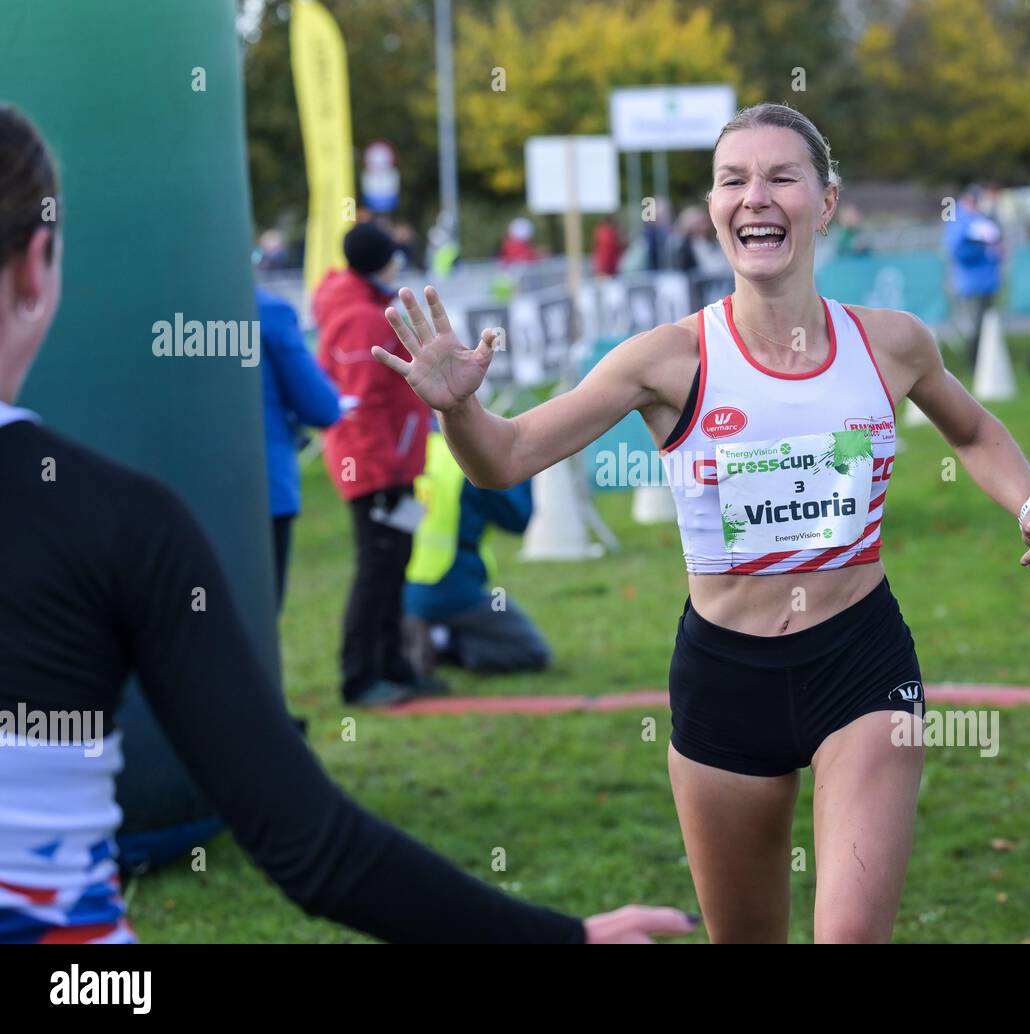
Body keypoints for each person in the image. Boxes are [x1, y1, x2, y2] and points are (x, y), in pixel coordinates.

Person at [374, 102, 1030, 943]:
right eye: (732, 180)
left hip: (860, 663)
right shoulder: (666, 359)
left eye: (782, 176)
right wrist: (462, 412)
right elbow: (509, 456)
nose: (756, 196)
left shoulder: (893, 344)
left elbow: (972, 430)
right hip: (724, 679)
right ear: (713, 208)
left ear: (824, 202)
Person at [0, 103, 692, 944]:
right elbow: (311, 845)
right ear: (36, 265)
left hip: (364, 475)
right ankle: (373, 673)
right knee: (370, 581)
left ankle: (378, 670)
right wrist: (562, 940)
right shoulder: (118, 522)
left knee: (374, 580)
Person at [314, 221, 439, 707]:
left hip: (393, 465)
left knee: (394, 565)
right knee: (377, 569)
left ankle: (395, 667)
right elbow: (359, 405)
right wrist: (385, 469)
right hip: (374, 469)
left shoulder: (362, 309)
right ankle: (360, 677)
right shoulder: (361, 319)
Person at [403, 422, 552, 678]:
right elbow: (519, 518)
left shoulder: (418, 451)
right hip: (454, 588)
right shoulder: (470, 461)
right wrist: (527, 470)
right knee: (532, 650)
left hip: (406, 589)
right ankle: (446, 643)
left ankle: (424, 636)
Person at [257, 285, 341, 610]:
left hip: (173, 495)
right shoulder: (267, 311)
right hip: (263, 490)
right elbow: (321, 406)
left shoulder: (160, 306)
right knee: (257, 625)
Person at [944, 184, 1003, 371]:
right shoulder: (958, 220)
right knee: (975, 326)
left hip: (987, 280)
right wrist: (980, 246)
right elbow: (956, 251)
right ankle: (974, 364)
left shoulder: (980, 218)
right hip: (971, 283)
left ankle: (985, 362)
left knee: (987, 325)